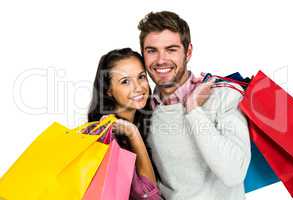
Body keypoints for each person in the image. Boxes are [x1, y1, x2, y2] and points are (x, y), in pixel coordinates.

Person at [138, 11, 251, 200]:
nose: (160, 60)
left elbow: (234, 173)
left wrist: (193, 110)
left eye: (171, 49)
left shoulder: (224, 95)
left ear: (188, 52)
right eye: (152, 51)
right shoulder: (144, 111)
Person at [87, 48, 161, 199]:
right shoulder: (104, 138)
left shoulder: (149, 121)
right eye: (125, 81)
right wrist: (133, 134)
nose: (138, 87)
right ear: (108, 90)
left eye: (141, 77)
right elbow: (148, 195)